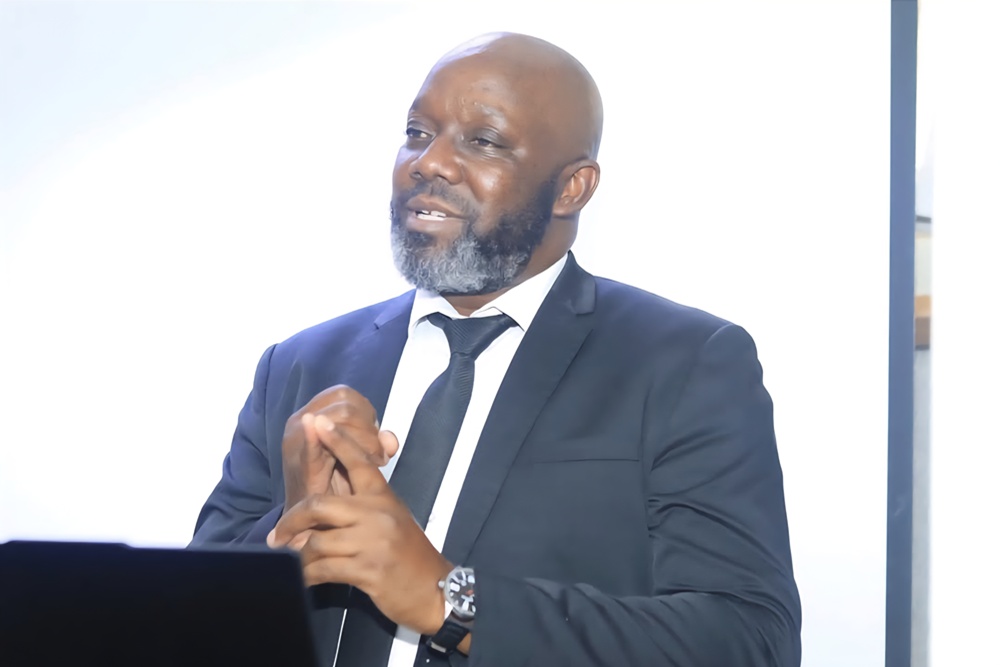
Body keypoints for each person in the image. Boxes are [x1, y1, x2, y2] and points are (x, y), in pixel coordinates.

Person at [192, 32, 801, 667]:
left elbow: (748, 640)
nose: (430, 162)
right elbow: (186, 622)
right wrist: (288, 529)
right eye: (417, 132)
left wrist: (450, 599)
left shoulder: (684, 364)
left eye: (482, 141)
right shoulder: (299, 366)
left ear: (572, 188)